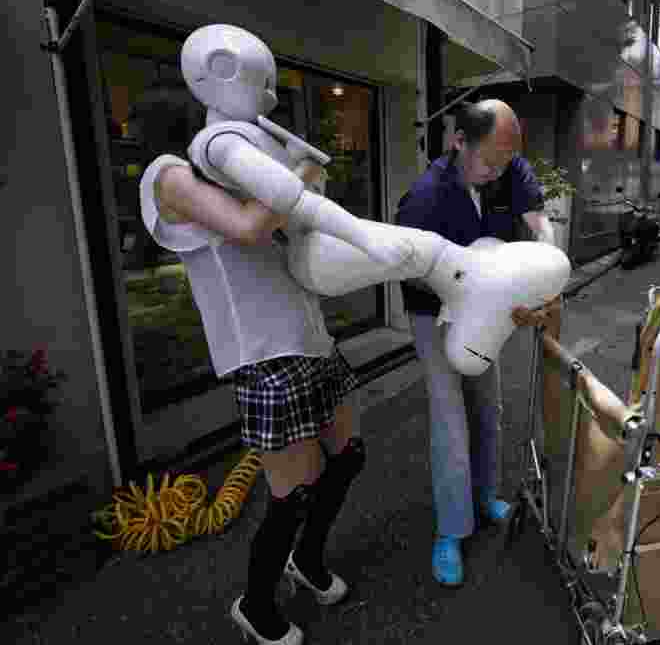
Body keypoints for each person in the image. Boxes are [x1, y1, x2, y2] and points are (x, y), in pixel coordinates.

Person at [136, 85, 365, 645]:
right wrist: (302, 171)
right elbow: (247, 228)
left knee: (349, 458)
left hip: (310, 338)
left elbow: (290, 228)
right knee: (294, 492)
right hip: (262, 353)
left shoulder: (246, 173)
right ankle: (256, 605)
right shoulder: (168, 174)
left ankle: (305, 560)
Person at [396, 99, 557, 587]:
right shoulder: (425, 198)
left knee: (488, 406)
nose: (498, 172)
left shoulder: (508, 166)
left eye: (507, 161)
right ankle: (450, 530)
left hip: (490, 313)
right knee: (450, 418)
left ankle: (485, 497)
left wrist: (545, 283)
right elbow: (408, 272)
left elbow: (539, 228)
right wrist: (467, 295)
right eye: (490, 162)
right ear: (458, 142)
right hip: (436, 314)